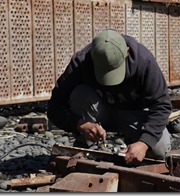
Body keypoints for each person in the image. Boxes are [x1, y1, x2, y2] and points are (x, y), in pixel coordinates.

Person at [47, 29, 172, 165]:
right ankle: (86, 144)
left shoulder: (144, 62)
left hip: (132, 116)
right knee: (80, 93)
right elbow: (54, 107)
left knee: (160, 148)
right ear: (93, 58)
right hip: (100, 114)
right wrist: (81, 124)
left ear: (127, 53)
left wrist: (144, 142)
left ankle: (134, 145)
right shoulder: (81, 62)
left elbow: (162, 105)